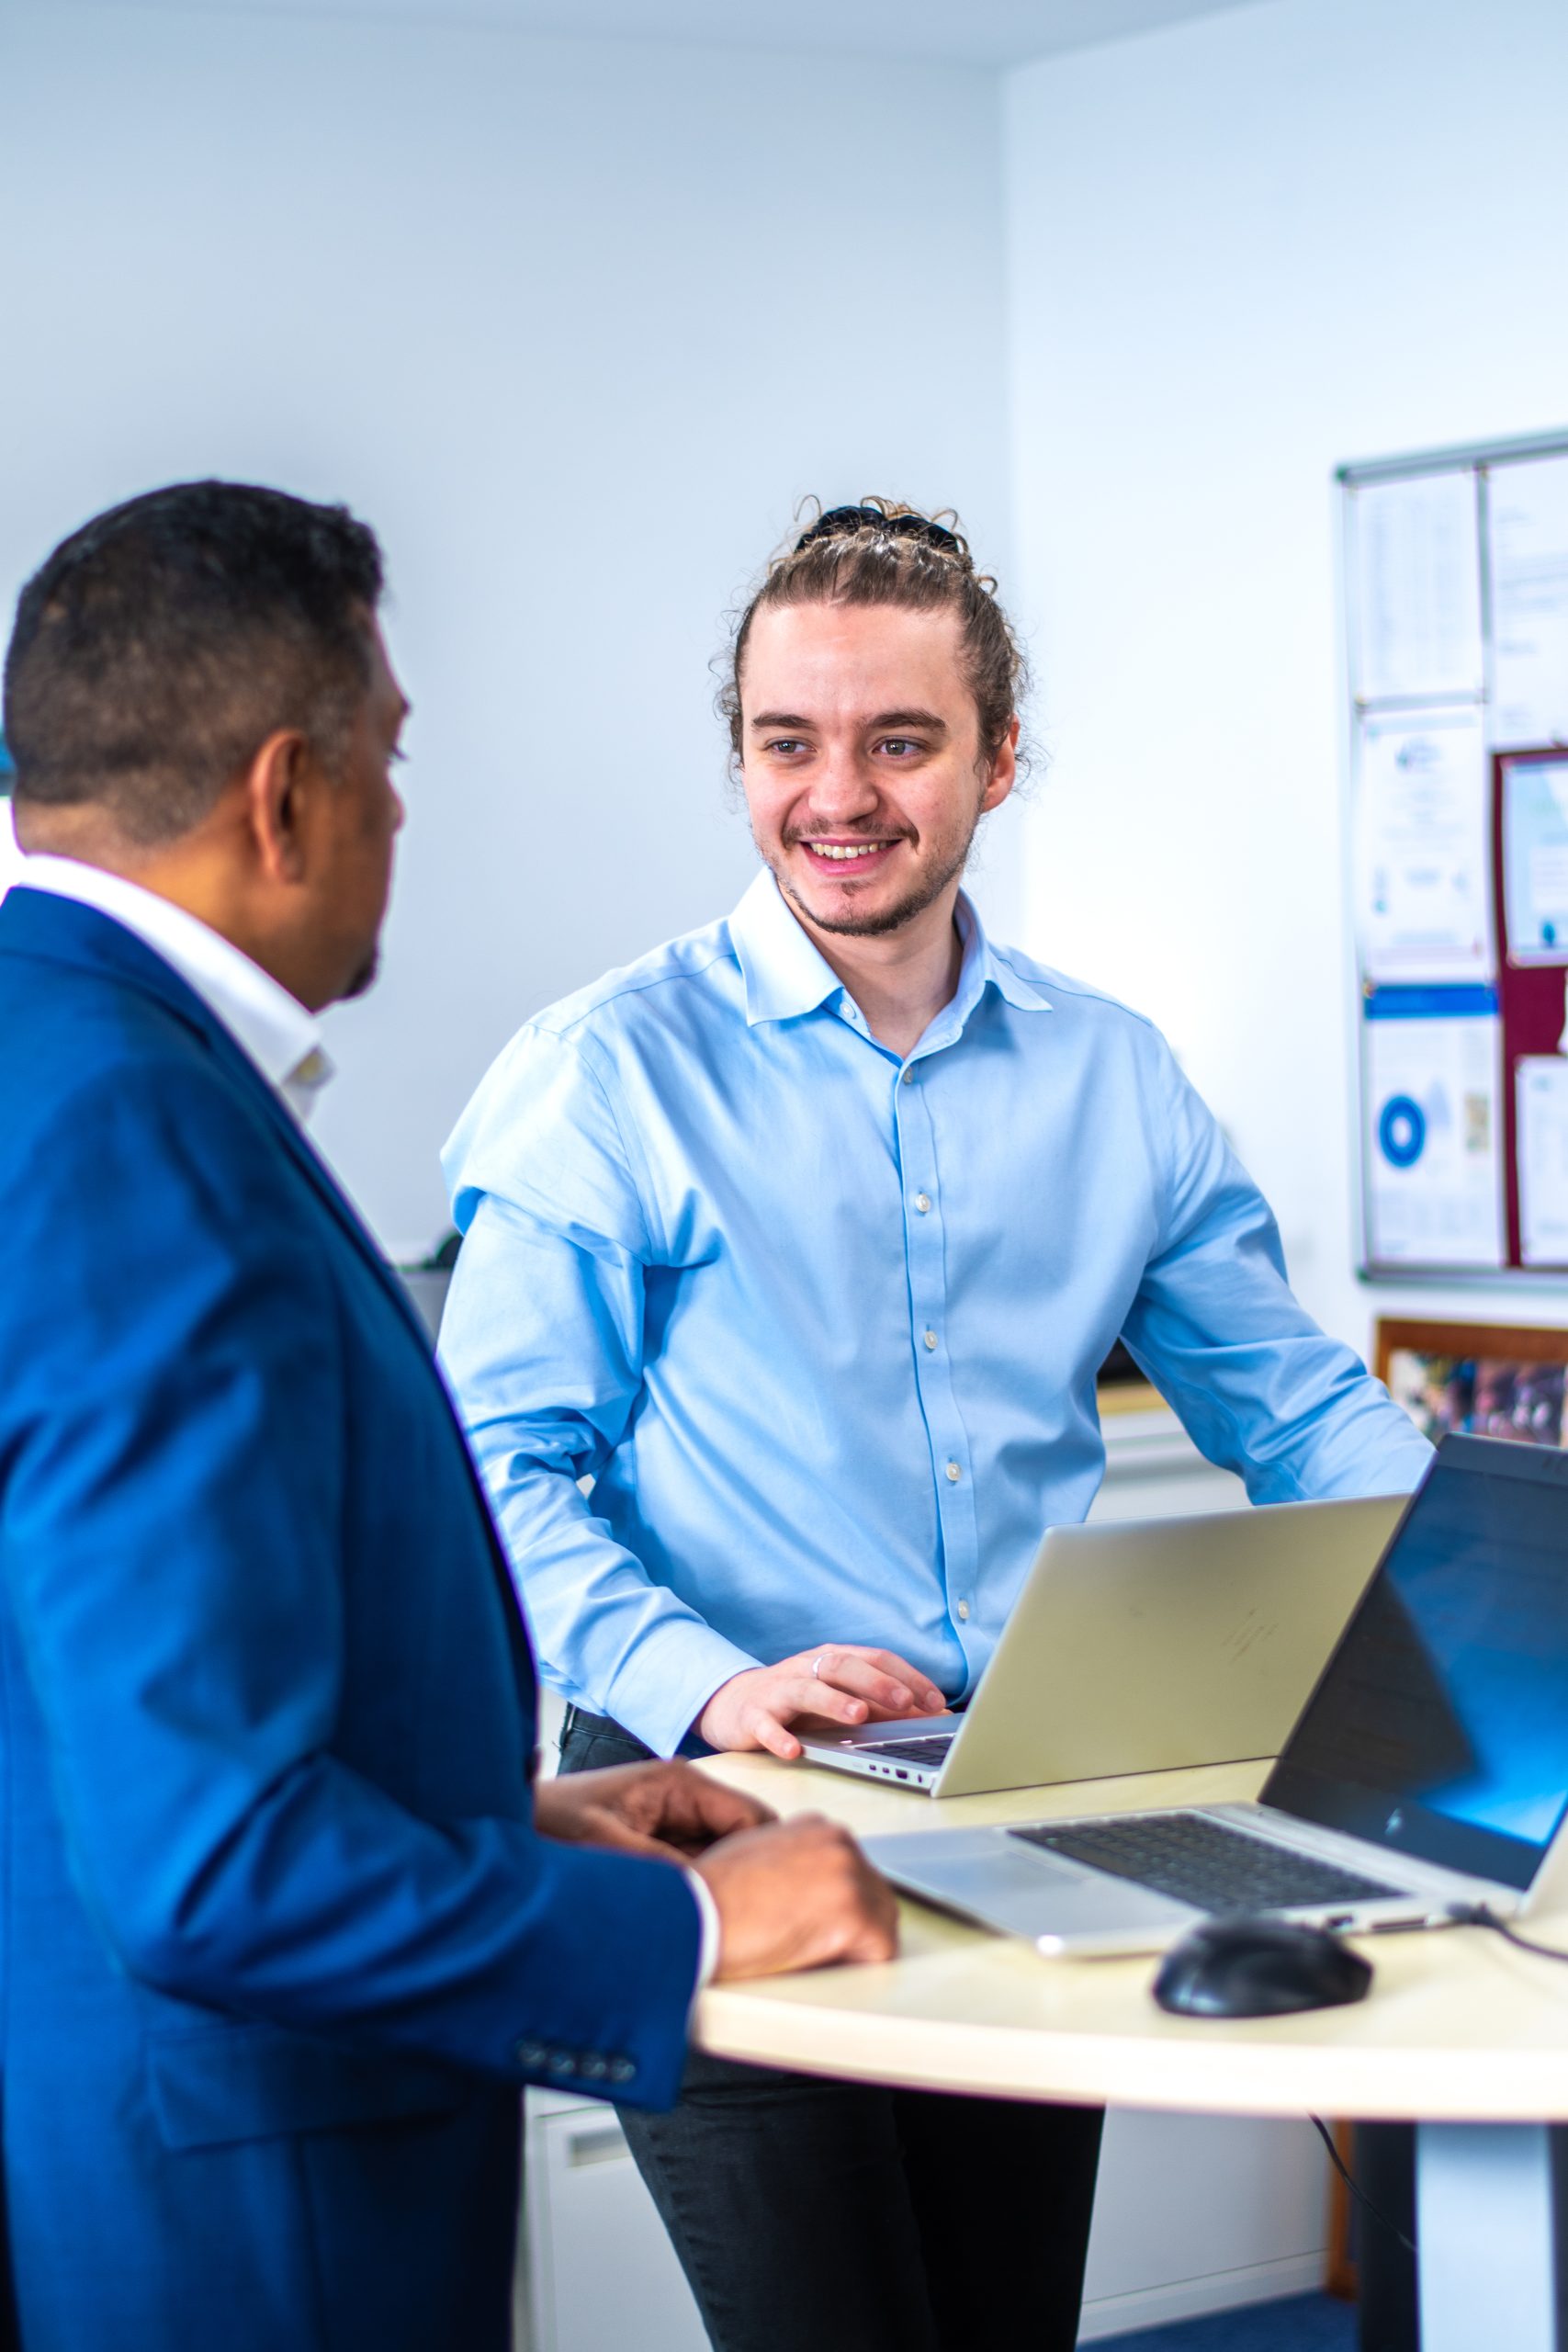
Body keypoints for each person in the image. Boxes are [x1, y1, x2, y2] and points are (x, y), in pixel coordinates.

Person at [437, 498, 1436, 2352]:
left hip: (1028, 1794)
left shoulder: (1106, 1073)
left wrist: (1483, 1587)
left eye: (898, 739)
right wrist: (704, 1678)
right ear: (737, 753)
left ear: (995, 753)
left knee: (999, 2327)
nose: (839, 793)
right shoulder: (612, 1072)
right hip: (712, 1804)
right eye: (783, 741)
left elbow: (1294, 1408)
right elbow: (501, 1470)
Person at [0, 481, 896, 2352]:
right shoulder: (135, 1140)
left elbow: (91, 1707)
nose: (401, 812)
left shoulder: (60, 1059)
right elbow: (208, 1862)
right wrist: (696, 1931)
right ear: (284, 791)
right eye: (387, 759)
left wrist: (504, 1816)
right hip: (250, 2223)